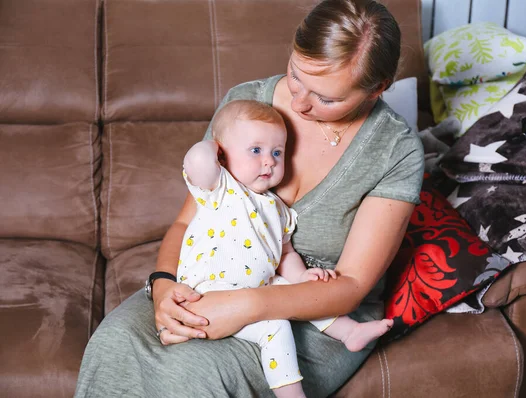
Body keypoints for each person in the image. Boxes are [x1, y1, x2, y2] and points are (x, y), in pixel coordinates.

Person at [75, 0, 424, 396]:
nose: (299, 103)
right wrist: (163, 287)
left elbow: (352, 284)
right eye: (296, 75)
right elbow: (186, 221)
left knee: (192, 374)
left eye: (326, 99)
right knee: (113, 344)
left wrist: (244, 305)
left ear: (377, 89)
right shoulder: (245, 106)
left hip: (314, 310)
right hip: (210, 277)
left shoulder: (395, 150)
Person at [178, 99, 394, 397]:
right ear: (223, 154)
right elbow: (197, 162)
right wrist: (213, 150)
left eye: (277, 152)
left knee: (301, 296)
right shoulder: (220, 188)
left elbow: (286, 254)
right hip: (210, 294)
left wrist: (302, 278)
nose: (269, 161)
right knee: (275, 326)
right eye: (256, 150)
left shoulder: (278, 208)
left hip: (261, 287)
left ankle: (349, 332)